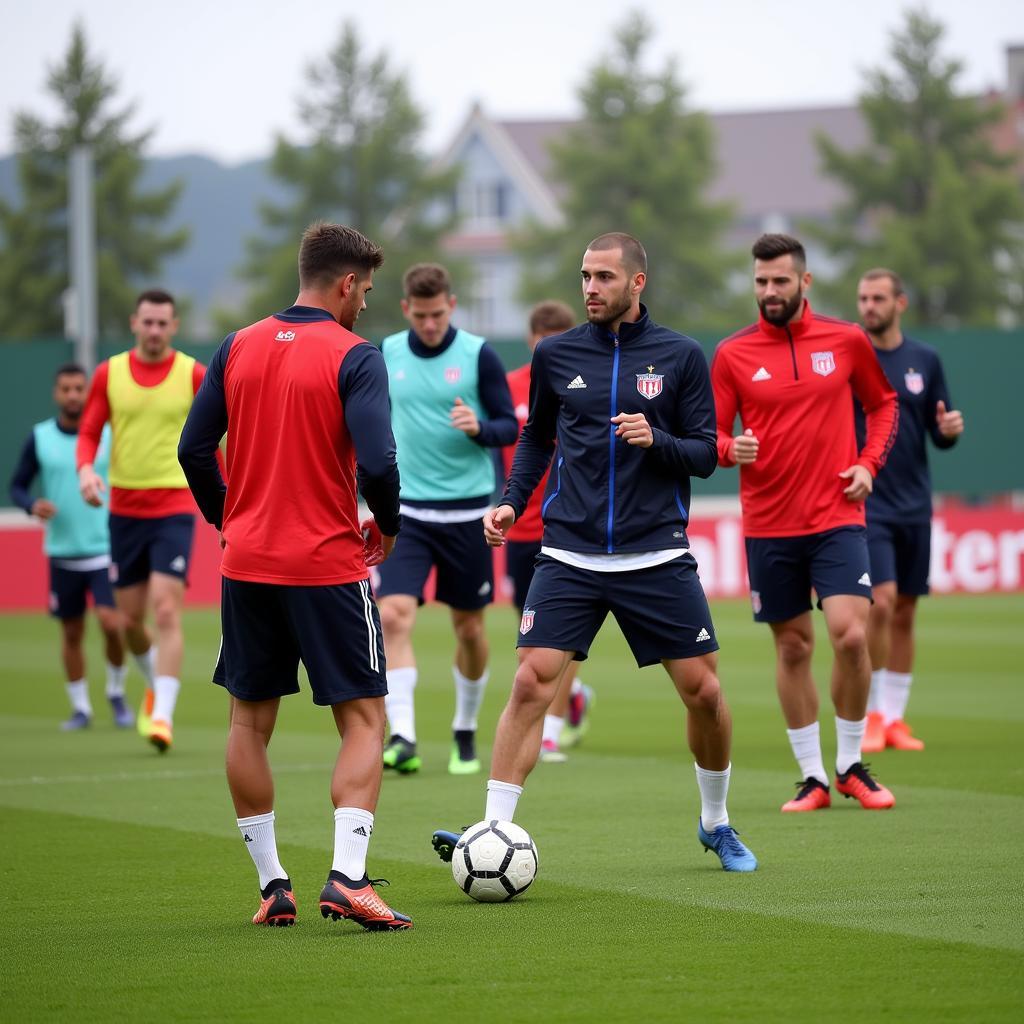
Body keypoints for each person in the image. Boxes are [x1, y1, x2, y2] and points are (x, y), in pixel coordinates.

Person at [434, 232, 758, 872]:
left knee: (705, 694)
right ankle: (493, 829)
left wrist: (654, 439)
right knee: (530, 681)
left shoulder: (681, 356)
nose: (590, 288)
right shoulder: (557, 354)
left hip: (655, 555)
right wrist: (509, 502)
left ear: (637, 283)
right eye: (585, 275)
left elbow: (704, 452)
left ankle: (716, 821)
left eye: (604, 277)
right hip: (570, 553)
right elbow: (535, 440)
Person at [177, 221, 411, 931]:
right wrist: (390, 525)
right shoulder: (355, 355)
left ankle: (273, 884)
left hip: (245, 563)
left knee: (249, 722)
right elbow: (376, 464)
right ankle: (346, 877)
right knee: (366, 719)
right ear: (345, 284)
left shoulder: (237, 344)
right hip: (326, 565)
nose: (365, 303)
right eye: (365, 291)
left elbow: (193, 449)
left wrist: (230, 521)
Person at [711, 233, 899, 814]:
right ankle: (813, 777)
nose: (769, 291)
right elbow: (709, 436)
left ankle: (849, 765)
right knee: (793, 647)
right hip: (769, 523)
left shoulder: (846, 340)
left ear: (804, 282)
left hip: (837, 514)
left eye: (780, 281)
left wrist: (869, 464)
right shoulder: (732, 354)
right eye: (761, 282)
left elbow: (883, 404)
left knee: (849, 633)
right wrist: (727, 448)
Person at [376, 263, 517, 775]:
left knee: (470, 631)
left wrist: (479, 427)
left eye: (438, 314)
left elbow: (507, 427)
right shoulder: (386, 353)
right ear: (406, 309)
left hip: (469, 514)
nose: (430, 324)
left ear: (451, 306)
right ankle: (404, 736)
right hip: (408, 512)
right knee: (392, 615)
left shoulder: (478, 354)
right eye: (421, 315)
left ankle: (464, 727)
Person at [77, 289, 205, 753]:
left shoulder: (193, 374)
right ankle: (153, 683)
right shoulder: (108, 373)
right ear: (135, 322)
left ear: (173, 326)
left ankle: (163, 715)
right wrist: (86, 469)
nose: (154, 331)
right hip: (123, 512)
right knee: (127, 620)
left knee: (167, 610)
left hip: (173, 507)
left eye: (162, 323)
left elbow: (221, 433)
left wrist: (228, 497)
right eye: (146, 322)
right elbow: (90, 428)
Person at [856, 269, 964, 752]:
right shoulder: (849, 356)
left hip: (915, 503)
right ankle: (874, 712)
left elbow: (939, 431)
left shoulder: (925, 359)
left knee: (905, 612)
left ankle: (896, 718)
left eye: (878, 298)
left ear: (900, 303)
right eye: (863, 298)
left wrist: (949, 431)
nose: (869, 306)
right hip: (867, 500)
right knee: (881, 600)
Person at [9, 364, 130, 730]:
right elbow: (17, 485)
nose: (74, 395)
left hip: (105, 547)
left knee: (111, 623)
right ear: (56, 393)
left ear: (89, 392)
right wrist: (32, 505)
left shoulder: (108, 434)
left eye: (80, 388)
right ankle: (81, 708)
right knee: (72, 632)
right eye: (67, 389)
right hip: (62, 551)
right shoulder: (40, 437)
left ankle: (116, 691)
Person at [502, 299, 593, 764]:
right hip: (520, 527)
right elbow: (510, 441)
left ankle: (553, 729)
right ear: (533, 342)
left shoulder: (588, 382)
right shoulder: (512, 386)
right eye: (545, 344)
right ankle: (571, 702)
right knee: (531, 643)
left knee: (564, 640)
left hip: (567, 528)